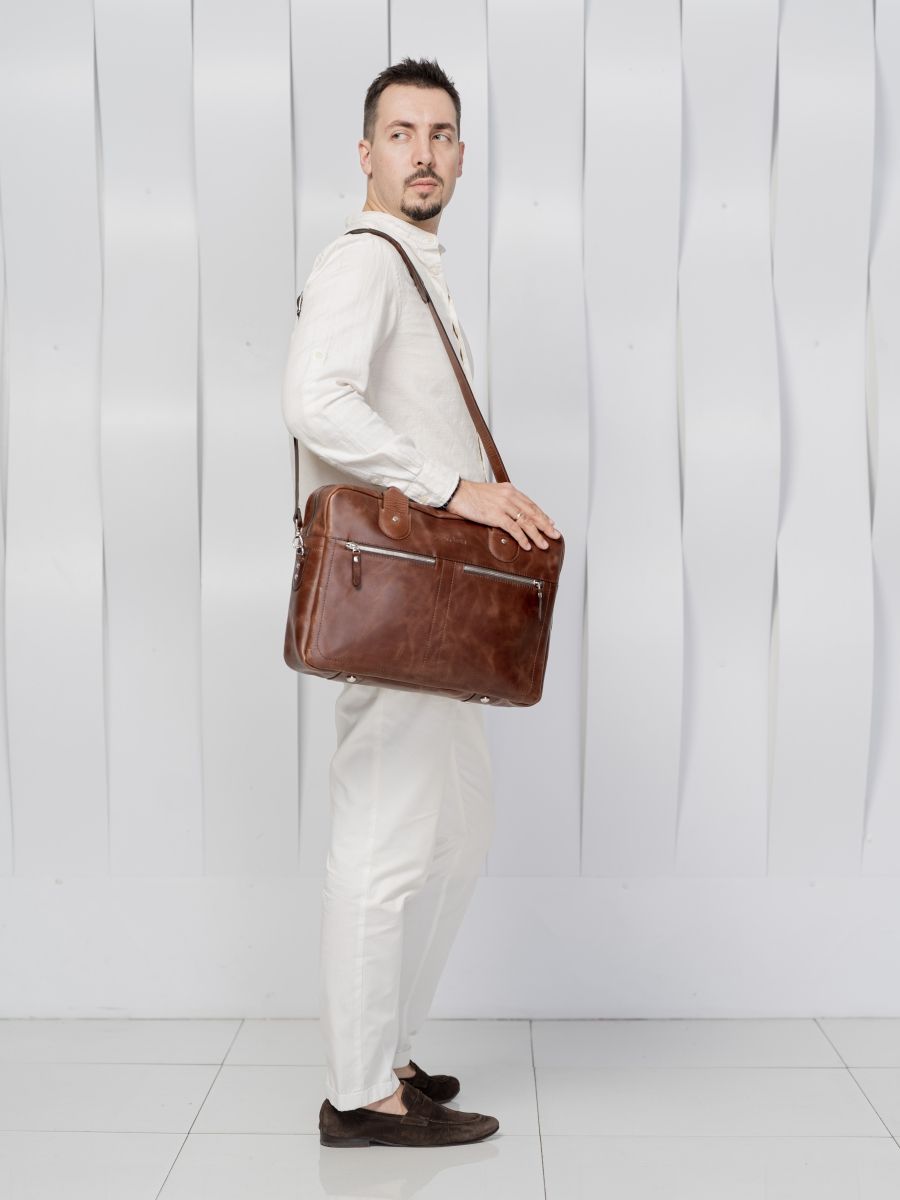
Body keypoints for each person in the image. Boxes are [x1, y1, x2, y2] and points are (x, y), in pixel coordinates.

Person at [281, 57, 560, 1149]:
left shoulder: (415, 266)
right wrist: (456, 489)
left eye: (441, 134)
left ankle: (384, 1047)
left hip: (431, 609)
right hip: (398, 601)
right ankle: (359, 1096)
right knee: (388, 837)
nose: (424, 153)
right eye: (401, 134)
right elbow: (314, 398)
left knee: (457, 832)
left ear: (461, 154)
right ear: (367, 154)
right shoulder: (365, 259)